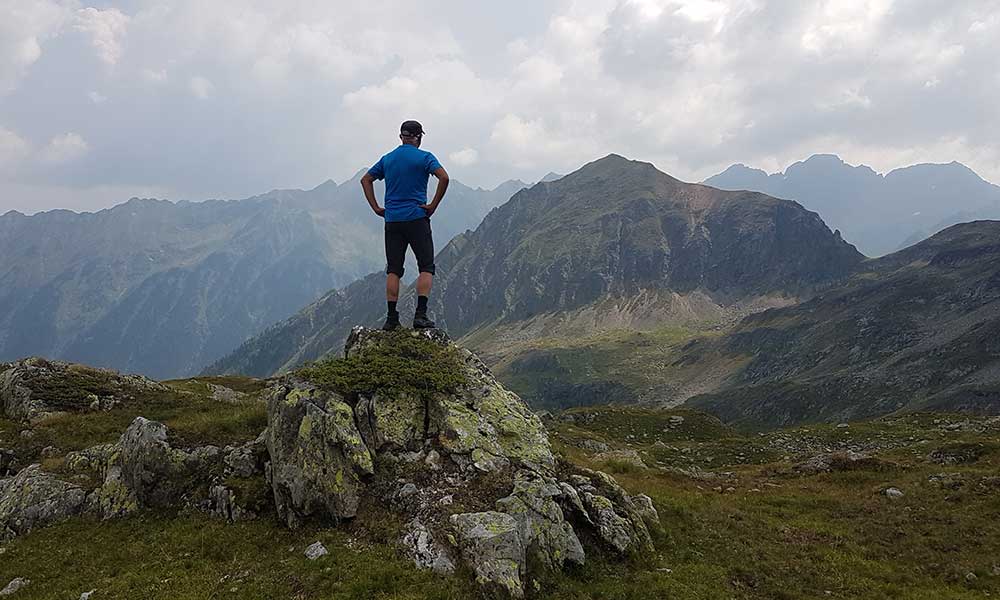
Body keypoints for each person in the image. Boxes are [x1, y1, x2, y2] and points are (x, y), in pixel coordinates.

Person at [361, 120, 449, 330]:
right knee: (426, 266)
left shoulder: (388, 159)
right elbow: (444, 178)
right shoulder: (425, 157)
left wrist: (376, 208)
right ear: (418, 137)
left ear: (401, 136)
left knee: (393, 270)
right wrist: (433, 205)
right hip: (417, 218)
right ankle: (420, 315)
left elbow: (366, 180)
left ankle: (391, 319)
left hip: (392, 220)